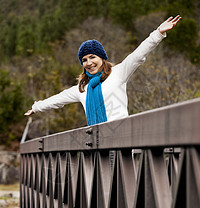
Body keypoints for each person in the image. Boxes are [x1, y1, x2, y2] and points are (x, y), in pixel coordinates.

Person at [24, 15, 181, 126]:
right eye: (84, 60)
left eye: (92, 57)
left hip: (122, 141)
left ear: (101, 58)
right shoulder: (82, 89)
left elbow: (138, 54)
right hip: (98, 147)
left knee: (121, 174)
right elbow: (58, 99)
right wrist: (36, 107)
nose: (89, 63)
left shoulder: (118, 73)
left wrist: (158, 33)